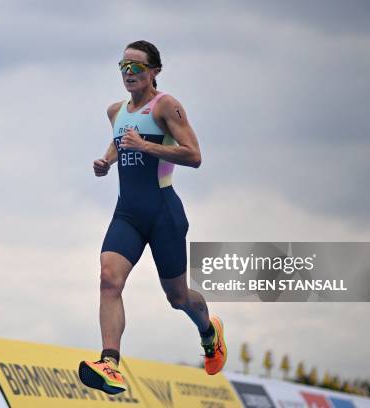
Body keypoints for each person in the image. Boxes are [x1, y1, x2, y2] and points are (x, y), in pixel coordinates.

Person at [78, 40, 227, 395]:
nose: (128, 74)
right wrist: (106, 161)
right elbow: (120, 140)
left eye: (136, 68)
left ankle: (209, 331)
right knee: (108, 279)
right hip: (127, 212)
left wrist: (146, 146)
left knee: (177, 298)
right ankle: (110, 364)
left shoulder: (166, 106)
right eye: (123, 67)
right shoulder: (116, 110)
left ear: (154, 71)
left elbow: (193, 155)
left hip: (163, 213)